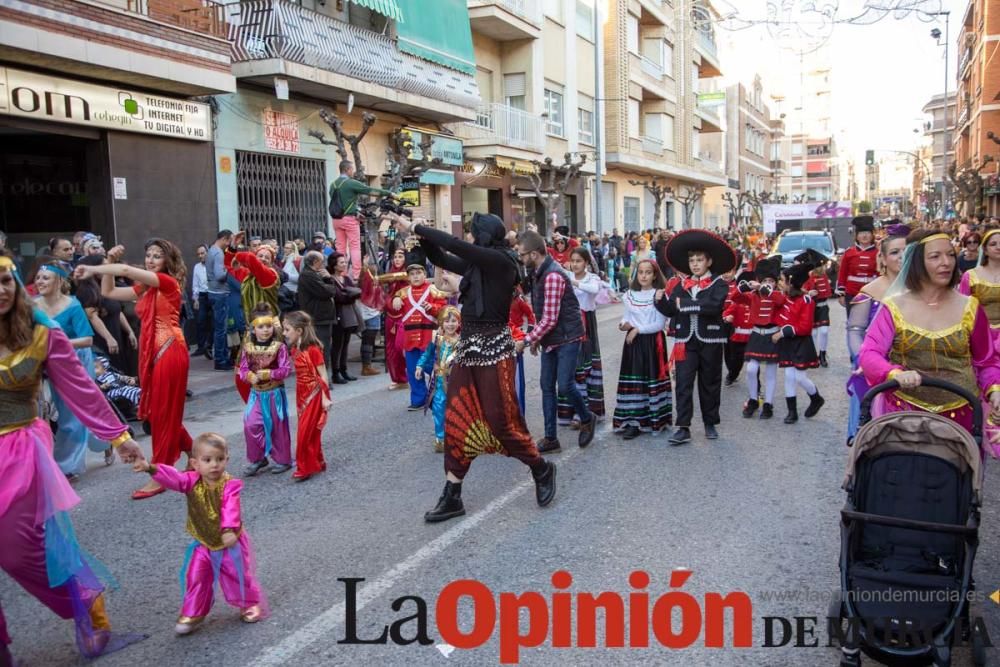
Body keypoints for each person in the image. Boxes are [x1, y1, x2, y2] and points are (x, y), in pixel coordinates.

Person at [0, 253, 145, 662]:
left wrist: (118, 437)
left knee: (16, 549)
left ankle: (86, 604)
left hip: (18, 449)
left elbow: (80, 388)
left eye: (6, 280)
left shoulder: (41, 332)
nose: (1, 290)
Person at [393, 212, 557, 523]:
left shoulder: (501, 261)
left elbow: (455, 244)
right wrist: (414, 237)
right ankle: (452, 494)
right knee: (457, 417)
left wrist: (418, 226)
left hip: (495, 351)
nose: (469, 238)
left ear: (484, 236)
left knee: (501, 421)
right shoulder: (477, 264)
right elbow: (440, 253)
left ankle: (541, 467)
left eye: (473, 233)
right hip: (468, 350)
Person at [74, 239, 194, 500]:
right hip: (154, 353)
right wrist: (107, 264)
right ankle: (193, 453)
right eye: (148, 254)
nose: (151, 259)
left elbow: (126, 272)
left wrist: (94, 269)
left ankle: (160, 473)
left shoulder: (167, 282)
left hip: (170, 350)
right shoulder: (146, 288)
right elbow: (109, 292)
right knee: (156, 410)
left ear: (167, 261)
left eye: (157, 256)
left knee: (161, 412)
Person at [858, 228, 1000, 434]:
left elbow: (986, 361)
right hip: (904, 414)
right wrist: (894, 373)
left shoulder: (970, 307)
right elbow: (869, 353)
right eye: (935, 256)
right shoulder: (894, 307)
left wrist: (995, 390)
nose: (947, 262)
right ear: (916, 262)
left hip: (962, 415)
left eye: (951, 254)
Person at [132, 433, 268, 635]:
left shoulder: (230, 485)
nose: (214, 465)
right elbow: (172, 477)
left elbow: (230, 507)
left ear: (227, 460)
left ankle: (248, 603)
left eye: (220, 459)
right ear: (195, 463)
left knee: (236, 574)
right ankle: (193, 613)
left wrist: (229, 529)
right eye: (208, 460)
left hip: (229, 542)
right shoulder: (190, 481)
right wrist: (150, 468)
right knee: (196, 576)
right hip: (204, 542)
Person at [517, 231, 596, 452]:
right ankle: (551, 438)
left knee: (565, 384)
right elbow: (540, 311)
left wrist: (526, 340)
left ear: (534, 254)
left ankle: (587, 418)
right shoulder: (538, 272)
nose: (520, 259)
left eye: (522, 254)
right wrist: (537, 338)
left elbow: (550, 318)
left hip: (568, 336)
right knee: (546, 386)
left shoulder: (552, 275)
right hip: (552, 337)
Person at [655, 230, 735, 445]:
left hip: (710, 339)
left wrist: (687, 305)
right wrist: (660, 301)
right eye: (692, 260)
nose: (695, 264)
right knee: (682, 383)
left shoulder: (718, 283)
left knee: (710, 382)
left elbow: (714, 306)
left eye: (700, 260)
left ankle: (710, 422)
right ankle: (683, 427)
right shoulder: (680, 285)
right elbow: (672, 310)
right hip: (684, 341)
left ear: (709, 261)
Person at [34, 261, 109, 476]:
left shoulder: (73, 305)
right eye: (38, 277)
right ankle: (104, 440)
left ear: (59, 281)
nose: (40, 281)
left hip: (77, 361)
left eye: (45, 278)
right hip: (49, 362)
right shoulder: (32, 305)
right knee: (64, 412)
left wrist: (57, 342)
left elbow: (86, 339)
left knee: (77, 412)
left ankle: (66, 466)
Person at [845, 224, 908, 445]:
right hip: (875, 368)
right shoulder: (870, 292)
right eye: (895, 252)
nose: (901, 256)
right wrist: (862, 360)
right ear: (882, 259)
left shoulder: (925, 292)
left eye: (906, 251)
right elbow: (855, 330)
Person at [612, 258, 672, 439]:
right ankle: (633, 420)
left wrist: (637, 329)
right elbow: (626, 316)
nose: (644, 275)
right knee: (634, 380)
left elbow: (659, 324)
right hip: (633, 343)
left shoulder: (659, 295)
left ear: (654, 275)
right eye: (641, 272)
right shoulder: (630, 294)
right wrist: (624, 325)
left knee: (649, 379)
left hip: (652, 343)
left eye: (648, 272)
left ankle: (654, 418)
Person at [239, 303, 293, 476]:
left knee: (277, 426)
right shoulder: (247, 348)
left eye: (268, 326)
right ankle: (258, 458)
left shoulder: (280, 347)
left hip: (274, 394)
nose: (265, 330)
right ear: (253, 329)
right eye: (261, 327)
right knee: (251, 424)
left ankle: (283, 459)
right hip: (256, 394)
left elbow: (286, 370)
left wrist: (269, 373)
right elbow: (242, 369)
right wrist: (249, 376)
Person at [391, 248, 447, 407]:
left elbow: (443, 311)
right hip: (410, 338)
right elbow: (392, 310)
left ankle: (441, 393)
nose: (415, 276)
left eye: (418, 273)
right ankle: (418, 400)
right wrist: (394, 301)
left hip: (428, 335)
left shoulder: (433, 290)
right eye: (412, 274)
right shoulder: (402, 293)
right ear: (408, 276)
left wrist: (432, 307)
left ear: (424, 274)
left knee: (431, 367)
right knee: (413, 370)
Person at [557, 247, 605, 428]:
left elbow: (593, 291)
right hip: (569, 324)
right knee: (571, 366)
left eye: (579, 261)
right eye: (573, 261)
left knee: (585, 366)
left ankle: (585, 411)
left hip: (586, 324)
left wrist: (573, 282)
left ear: (586, 262)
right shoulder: (565, 276)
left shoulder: (593, 278)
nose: (575, 264)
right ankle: (570, 411)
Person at [283, 311, 332, 481]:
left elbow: (323, 375)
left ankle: (304, 468)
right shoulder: (295, 348)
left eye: (287, 329)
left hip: (314, 394)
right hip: (301, 394)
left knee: (304, 433)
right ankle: (316, 462)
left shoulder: (313, 349)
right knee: (310, 433)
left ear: (299, 331)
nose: (284, 333)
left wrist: (325, 397)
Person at [733, 257, 784, 420]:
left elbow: (780, 300)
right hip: (756, 334)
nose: (768, 283)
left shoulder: (776, 294)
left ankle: (768, 403)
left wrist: (764, 288)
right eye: (765, 280)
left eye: (771, 281)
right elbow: (735, 298)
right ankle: (753, 399)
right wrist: (743, 287)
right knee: (751, 369)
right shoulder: (753, 295)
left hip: (772, 335)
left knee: (770, 372)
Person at [773, 264, 824, 424]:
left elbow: (805, 327)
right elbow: (778, 318)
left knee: (800, 377)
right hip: (787, 342)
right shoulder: (784, 297)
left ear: (791, 282)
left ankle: (816, 398)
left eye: (782, 280)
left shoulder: (806, 300)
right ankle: (792, 412)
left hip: (801, 342)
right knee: (789, 376)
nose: (779, 283)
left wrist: (783, 332)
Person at [329, 161, 393, 280]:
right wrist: (389, 193)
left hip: (336, 219)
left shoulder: (332, 184)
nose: (353, 171)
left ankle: (340, 274)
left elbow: (341, 203)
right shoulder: (350, 183)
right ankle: (356, 275)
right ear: (348, 169)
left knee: (340, 248)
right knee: (354, 247)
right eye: (352, 169)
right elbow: (370, 190)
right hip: (349, 219)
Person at [417, 307, 461, 453]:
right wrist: (419, 366)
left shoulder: (461, 342)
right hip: (438, 385)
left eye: (454, 321)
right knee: (438, 411)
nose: (450, 324)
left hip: (455, 384)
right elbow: (427, 354)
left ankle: (456, 437)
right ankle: (440, 439)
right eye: (446, 321)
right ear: (441, 323)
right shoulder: (436, 339)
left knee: (456, 411)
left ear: (459, 323)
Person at [297, 251, 339, 380]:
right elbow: (327, 292)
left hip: (321, 317)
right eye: (322, 262)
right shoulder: (308, 275)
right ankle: (322, 379)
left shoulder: (312, 274)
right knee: (322, 350)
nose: (324, 264)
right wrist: (329, 279)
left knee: (323, 348)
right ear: (315, 262)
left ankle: (322, 378)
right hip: (318, 318)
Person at [327, 251, 362, 384]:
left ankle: (343, 369)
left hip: (348, 313)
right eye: (341, 262)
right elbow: (338, 297)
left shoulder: (346, 278)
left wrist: (348, 294)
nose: (344, 264)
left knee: (346, 343)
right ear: (334, 265)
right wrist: (349, 294)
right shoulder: (330, 279)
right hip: (337, 314)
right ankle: (335, 372)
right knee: (337, 344)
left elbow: (356, 293)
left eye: (345, 262)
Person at [380, 245, 411, 389]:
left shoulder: (408, 275)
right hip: (390, 316)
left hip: (403, 316)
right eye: (395, 257)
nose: (397, 259)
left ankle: (407, 377)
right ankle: (397, 378)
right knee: (391, 349)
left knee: (401, 348)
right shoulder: (389, 274)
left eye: (401, 256)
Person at [796, 249, 833, 367]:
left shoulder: (824, 276)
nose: (822, 268)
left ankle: (822, 354)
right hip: (811, 307)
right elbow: (800, 290)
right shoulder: (807, 277)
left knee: (824, 331)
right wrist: (808, 292)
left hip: (823, 307)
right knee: (814, 333)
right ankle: (814, 355)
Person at [836, 215, 879, 316]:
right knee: (853, 324)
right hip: (852, 294)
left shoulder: (879, 253)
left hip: (873, 293)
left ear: (872, 235)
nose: (864, 236)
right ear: (856, 236)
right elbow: (842, 274)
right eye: (861, 233)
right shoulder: (849, 253)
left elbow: (881, 274)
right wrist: (841, 294)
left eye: (867, 233)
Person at [206, 230, 234, 371]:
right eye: (229, 241)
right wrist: (229, 269)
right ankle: (221, 360)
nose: (229, 245)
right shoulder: (218, 253)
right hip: (220, 292)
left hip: (214, 292)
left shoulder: (212, 250)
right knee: (221, 329)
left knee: (219, 328)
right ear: (224, 239)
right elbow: (219, 275)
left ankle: (222, 357)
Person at [723, 269, 754, 386]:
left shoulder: (754, 298)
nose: (726, 273)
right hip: (731, 325)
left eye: (729, 271)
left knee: (753, 362)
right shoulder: (719, 284)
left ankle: (756, 388)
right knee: (730, 350)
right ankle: (732, 371)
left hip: (752, 333)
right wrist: (726, 317)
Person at [508, 285, 535, 415]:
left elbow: (531, 316)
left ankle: (519, 413)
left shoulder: (519, 301)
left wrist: (527, 334)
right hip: (501, 337)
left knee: (517, 378)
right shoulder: (497, 299)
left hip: (516, 337)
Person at [191, 244, 211, 357]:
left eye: (202, 253)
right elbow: (195, 284)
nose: (200, 256)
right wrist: (196, 299)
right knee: (200, 321)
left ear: (208, 253)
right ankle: (201, 347)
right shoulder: (197, 267)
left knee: (214, 322)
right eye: (198, 254)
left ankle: (211, 346)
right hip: (202, 296)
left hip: (213, 294)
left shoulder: (214, 265)